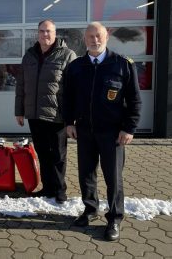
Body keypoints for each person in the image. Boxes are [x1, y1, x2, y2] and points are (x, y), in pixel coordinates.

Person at [63, 22, 142, 241]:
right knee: (86, 174)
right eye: (90, 37)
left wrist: (129, 128)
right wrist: (69, 123)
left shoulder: (122, 65)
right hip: (85, 131)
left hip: (112, 134)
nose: (94, 40)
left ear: (106, 36)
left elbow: (134, 100)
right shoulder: (76, 67)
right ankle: (90, 210)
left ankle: (114, 219)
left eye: (98, 36)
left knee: (113, 179)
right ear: (84, 39)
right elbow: (67, 98)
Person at [15, 19, 76, 204]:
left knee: (58, 155)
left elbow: (74, 89)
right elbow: (21, 86)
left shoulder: (67, 55)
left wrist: (71, 119)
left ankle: (60, 190)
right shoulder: (29, 56)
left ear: (55, 33)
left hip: (57, 116)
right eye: (41, 31)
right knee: (42, 152)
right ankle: (47, 188)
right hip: (35, 115)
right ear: (37, 33)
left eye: (48, 31)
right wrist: (19, 111)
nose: (45, 35)